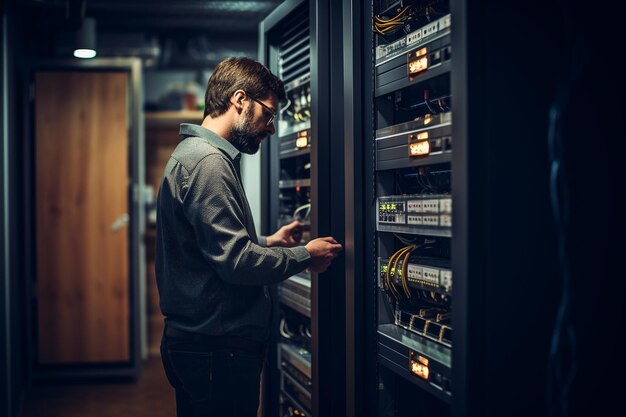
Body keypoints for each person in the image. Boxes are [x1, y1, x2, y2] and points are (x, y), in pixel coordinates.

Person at [155, 56, 342, 417]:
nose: (271, 129)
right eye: (268, 115)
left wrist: (270, 241)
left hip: (203, 346)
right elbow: (236, 262)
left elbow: (208, 248)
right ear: (240, 100)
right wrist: (306, 255)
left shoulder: (192, 155)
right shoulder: (208, 163)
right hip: (216, 350)